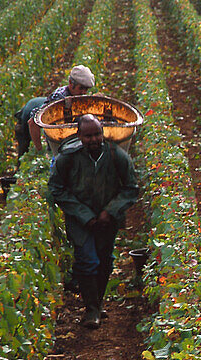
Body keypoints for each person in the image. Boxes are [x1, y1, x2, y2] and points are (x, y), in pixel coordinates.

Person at [48, 114, 138, 329]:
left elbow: (131, 188)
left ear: (103, 133)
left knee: (104, 260)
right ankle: (91, 310)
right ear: (79, 136)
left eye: (97, 134)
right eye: (88, 136)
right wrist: (84, 215)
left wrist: (110, 211)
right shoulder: (68, 158)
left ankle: (97, 302)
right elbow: (56, 189)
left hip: (108, 221)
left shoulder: (117, 156)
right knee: (87, 261)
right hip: (80, 221)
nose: (93, 139)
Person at [15, 65, 95, 157]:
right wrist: (40, 151)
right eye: (81, 88)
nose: (83, 93)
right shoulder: (58, 100)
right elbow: (32, 122)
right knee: (24, 153)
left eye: (86, 89)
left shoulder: (78, 98)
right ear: (70, 83)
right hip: (25, 121)